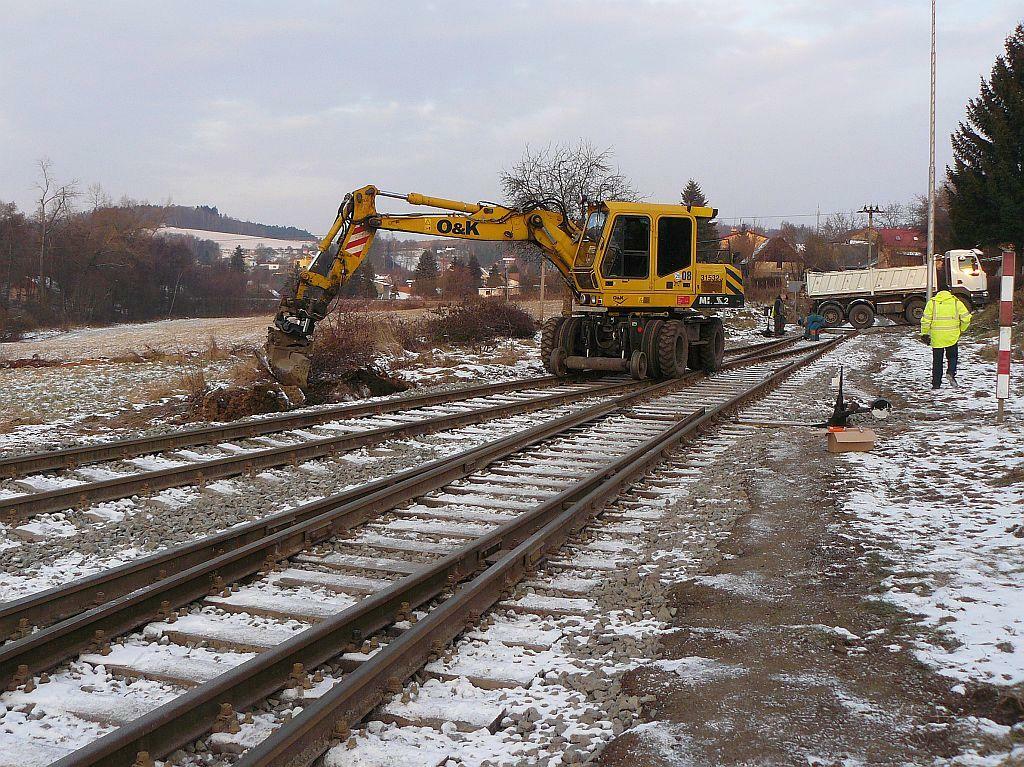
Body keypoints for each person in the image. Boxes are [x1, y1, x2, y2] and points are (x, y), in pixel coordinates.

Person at [921, 278, 972, 390]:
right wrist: (961, 329)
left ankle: (936, 384)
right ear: (949, 291)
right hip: (952, 336)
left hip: (937, 337)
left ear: (938, 292)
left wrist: (924, 333)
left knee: (937, 361)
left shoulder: (932, 303)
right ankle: (951, 372)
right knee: (952, 357)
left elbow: (925, 320)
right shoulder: (956, 302)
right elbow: (966, 318)